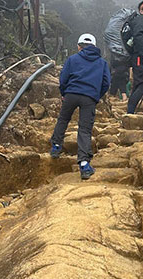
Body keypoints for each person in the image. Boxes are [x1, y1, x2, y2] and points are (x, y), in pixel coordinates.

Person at [50, 33, 111, 179]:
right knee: (84, 129)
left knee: (63, 119)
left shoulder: (72, 59)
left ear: (79, 46)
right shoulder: (102, 63)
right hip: (89, 97)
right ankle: (84, 164)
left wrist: (64, 92)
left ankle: (56, 147)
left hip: (71, 93)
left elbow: (63, 78)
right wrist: (96, 95)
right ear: (94, 46)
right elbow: (106, 83)